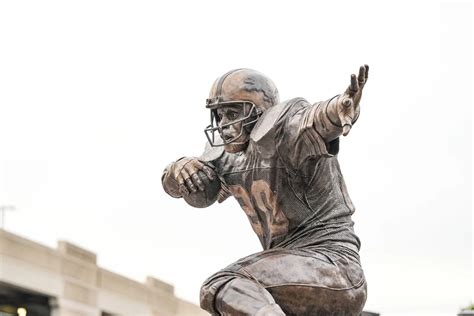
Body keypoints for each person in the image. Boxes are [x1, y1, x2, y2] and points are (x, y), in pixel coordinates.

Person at [162, 66, 369, 315]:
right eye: (220, 115)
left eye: (232, 113)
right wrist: (179, 168)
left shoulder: (286, 132)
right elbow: (187, 190)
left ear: (260, 111)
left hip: (333, 267)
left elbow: (318, 119)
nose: (225, 125)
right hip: (295, 275)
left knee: (224, 284)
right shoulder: (228, 158)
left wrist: (340, 107)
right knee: (236, 298)